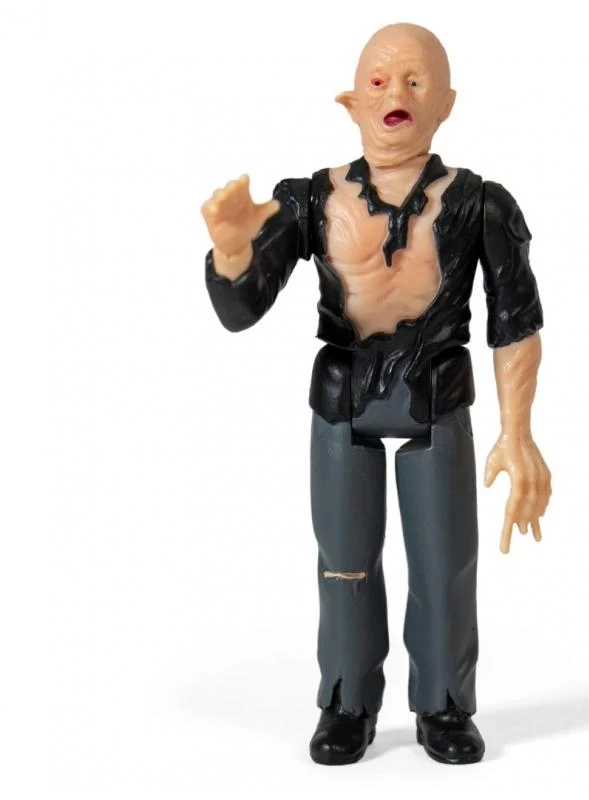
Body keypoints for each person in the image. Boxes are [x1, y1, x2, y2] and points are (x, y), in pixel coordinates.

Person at [201, 22, 551, 766]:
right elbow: (241, 310)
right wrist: (232, 252)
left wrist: (518, 432)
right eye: (381, 81)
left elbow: (515, 322)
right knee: (344, 561)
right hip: (343, 399)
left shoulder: (481, 204)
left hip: (436, 395)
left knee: (445, 562)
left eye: (417, 81)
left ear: (446, 103)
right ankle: (347, 700)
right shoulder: (309, 200)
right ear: (352, 102)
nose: (397, 92)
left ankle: (445, 703)